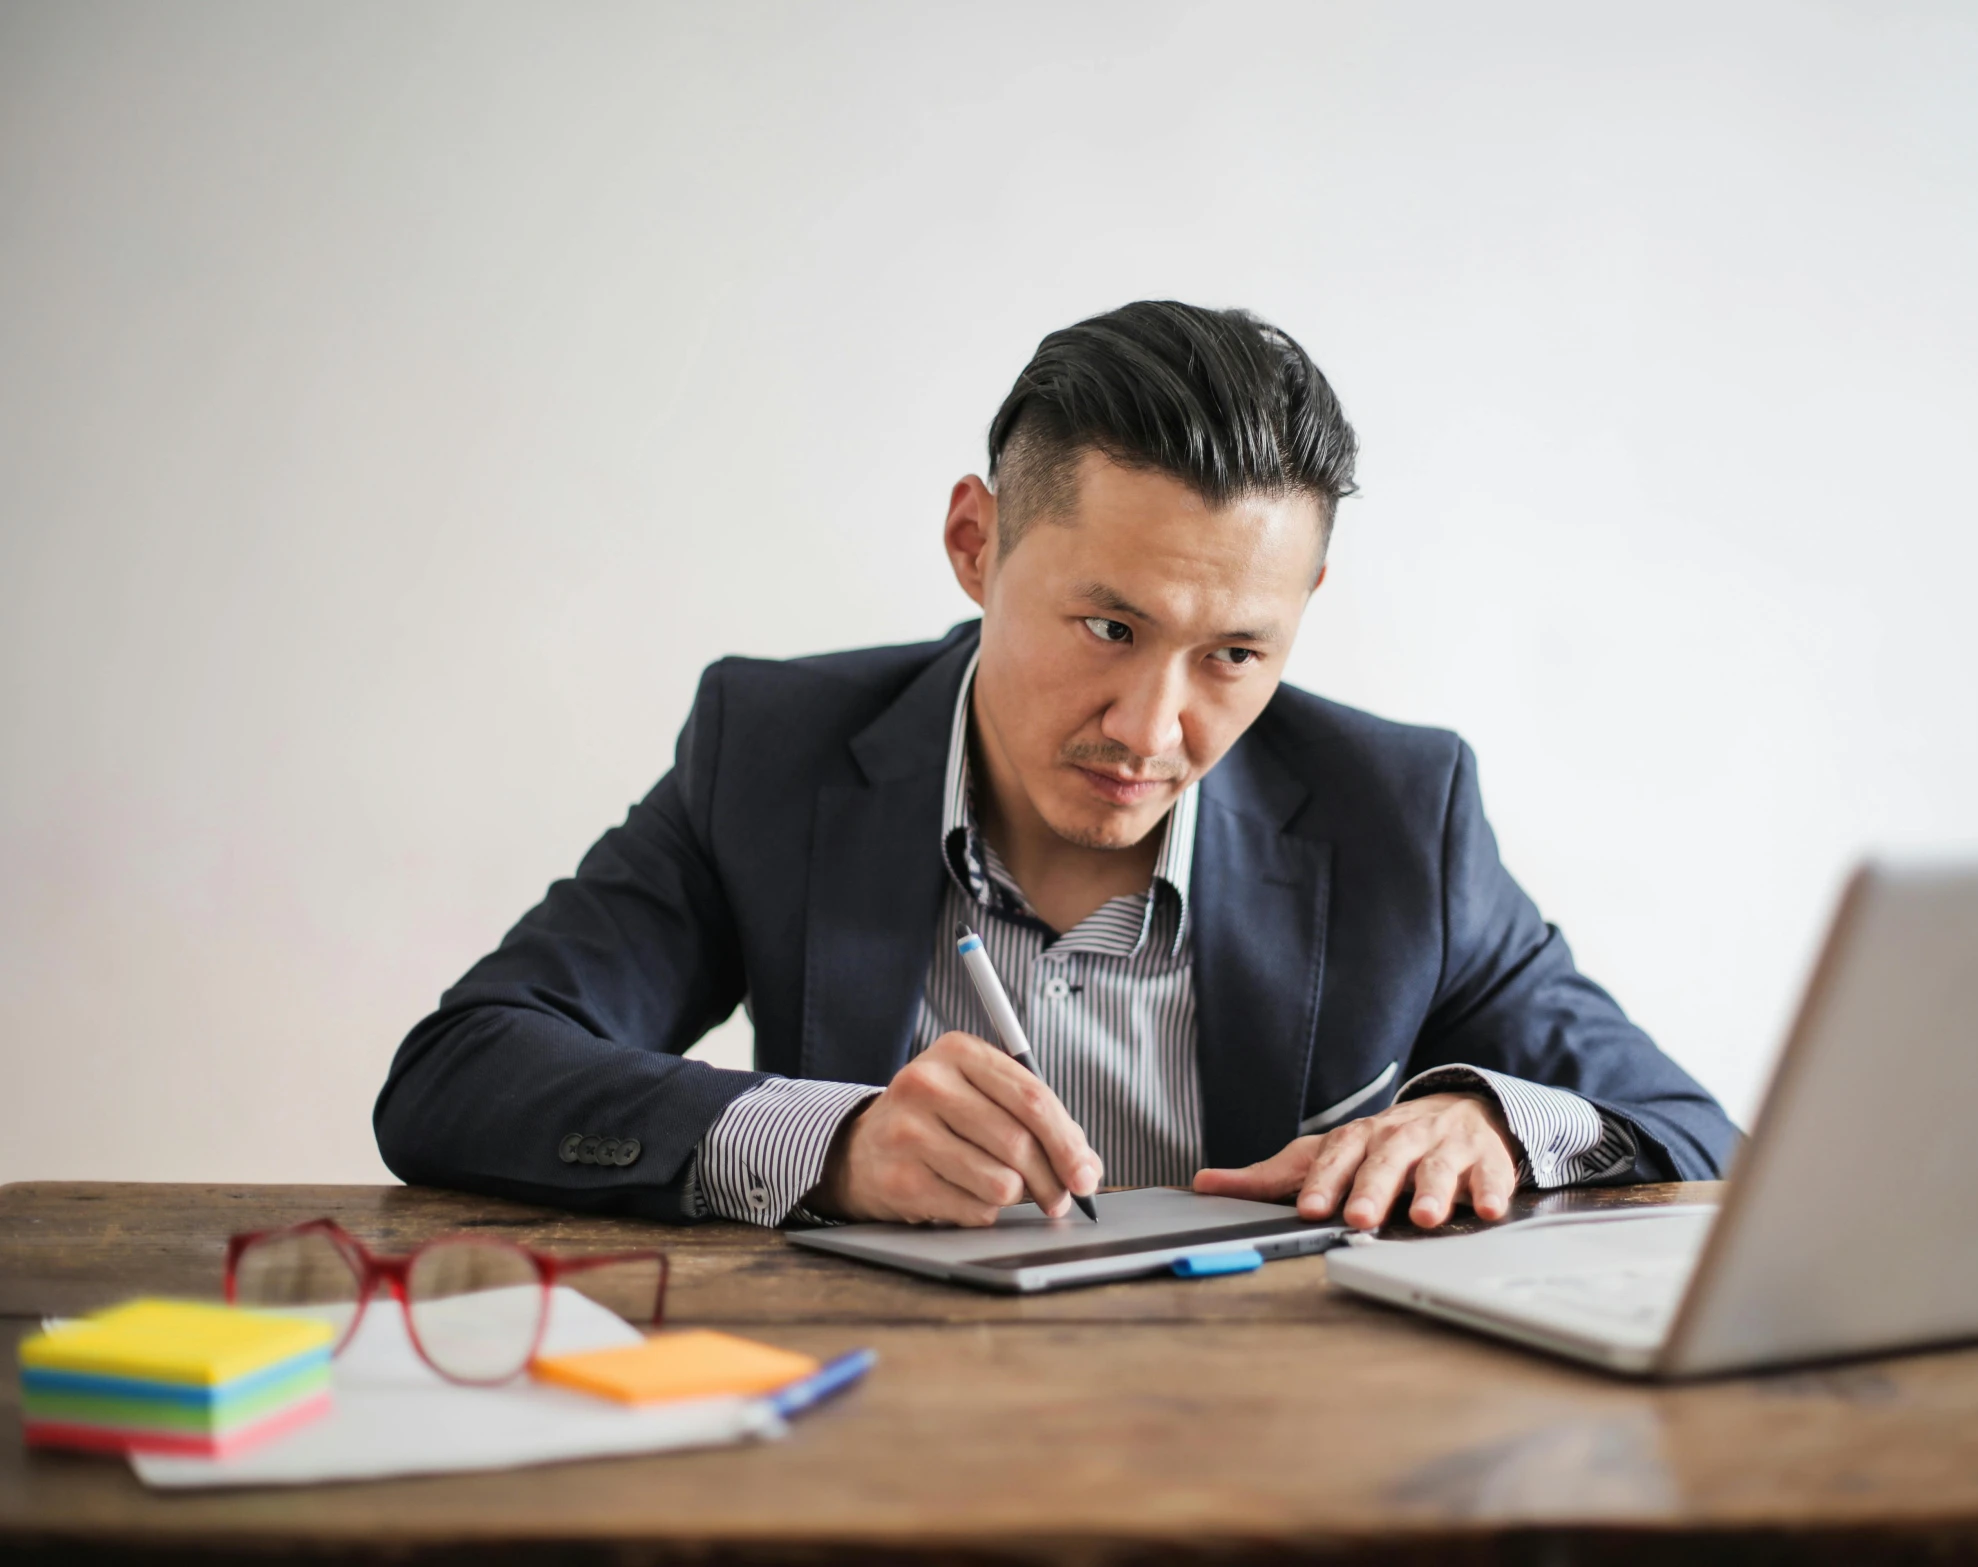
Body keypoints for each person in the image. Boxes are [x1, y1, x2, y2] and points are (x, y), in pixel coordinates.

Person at [374, 300, 1739, 1233]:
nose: (1151, 730)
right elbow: (461, 1070)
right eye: (1108, 626)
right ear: (976, 545)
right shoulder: (771, 751)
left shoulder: (1401, 815)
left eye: (1234, 655)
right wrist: (831, 1145)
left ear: (1307, 602)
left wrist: (1497, 1128)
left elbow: (1690, 1129)